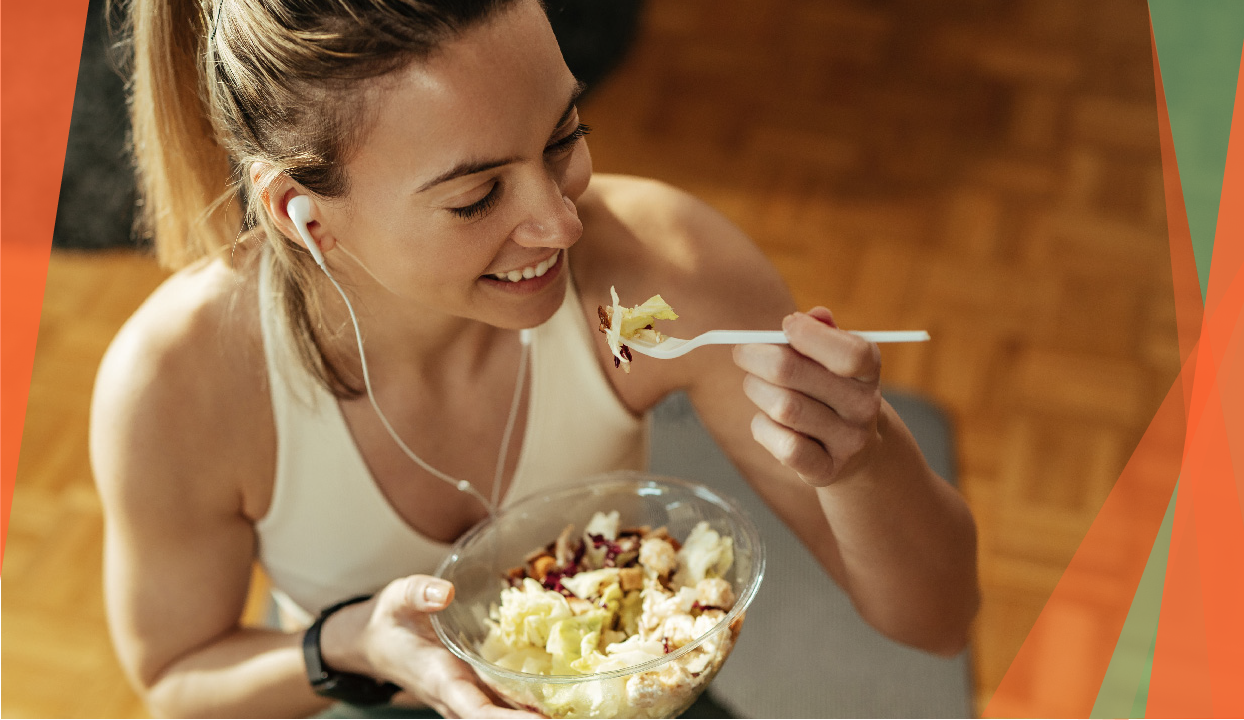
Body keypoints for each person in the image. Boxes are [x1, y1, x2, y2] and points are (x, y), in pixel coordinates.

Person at [90, 0, 980, 717]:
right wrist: (352, 643)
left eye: (563, 138)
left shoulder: (668, 269)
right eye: (478, 197)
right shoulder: (180, 384)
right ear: (304, 214)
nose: (562, 222)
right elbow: (177, 681)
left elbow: (937, 622)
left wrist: (862, 464)